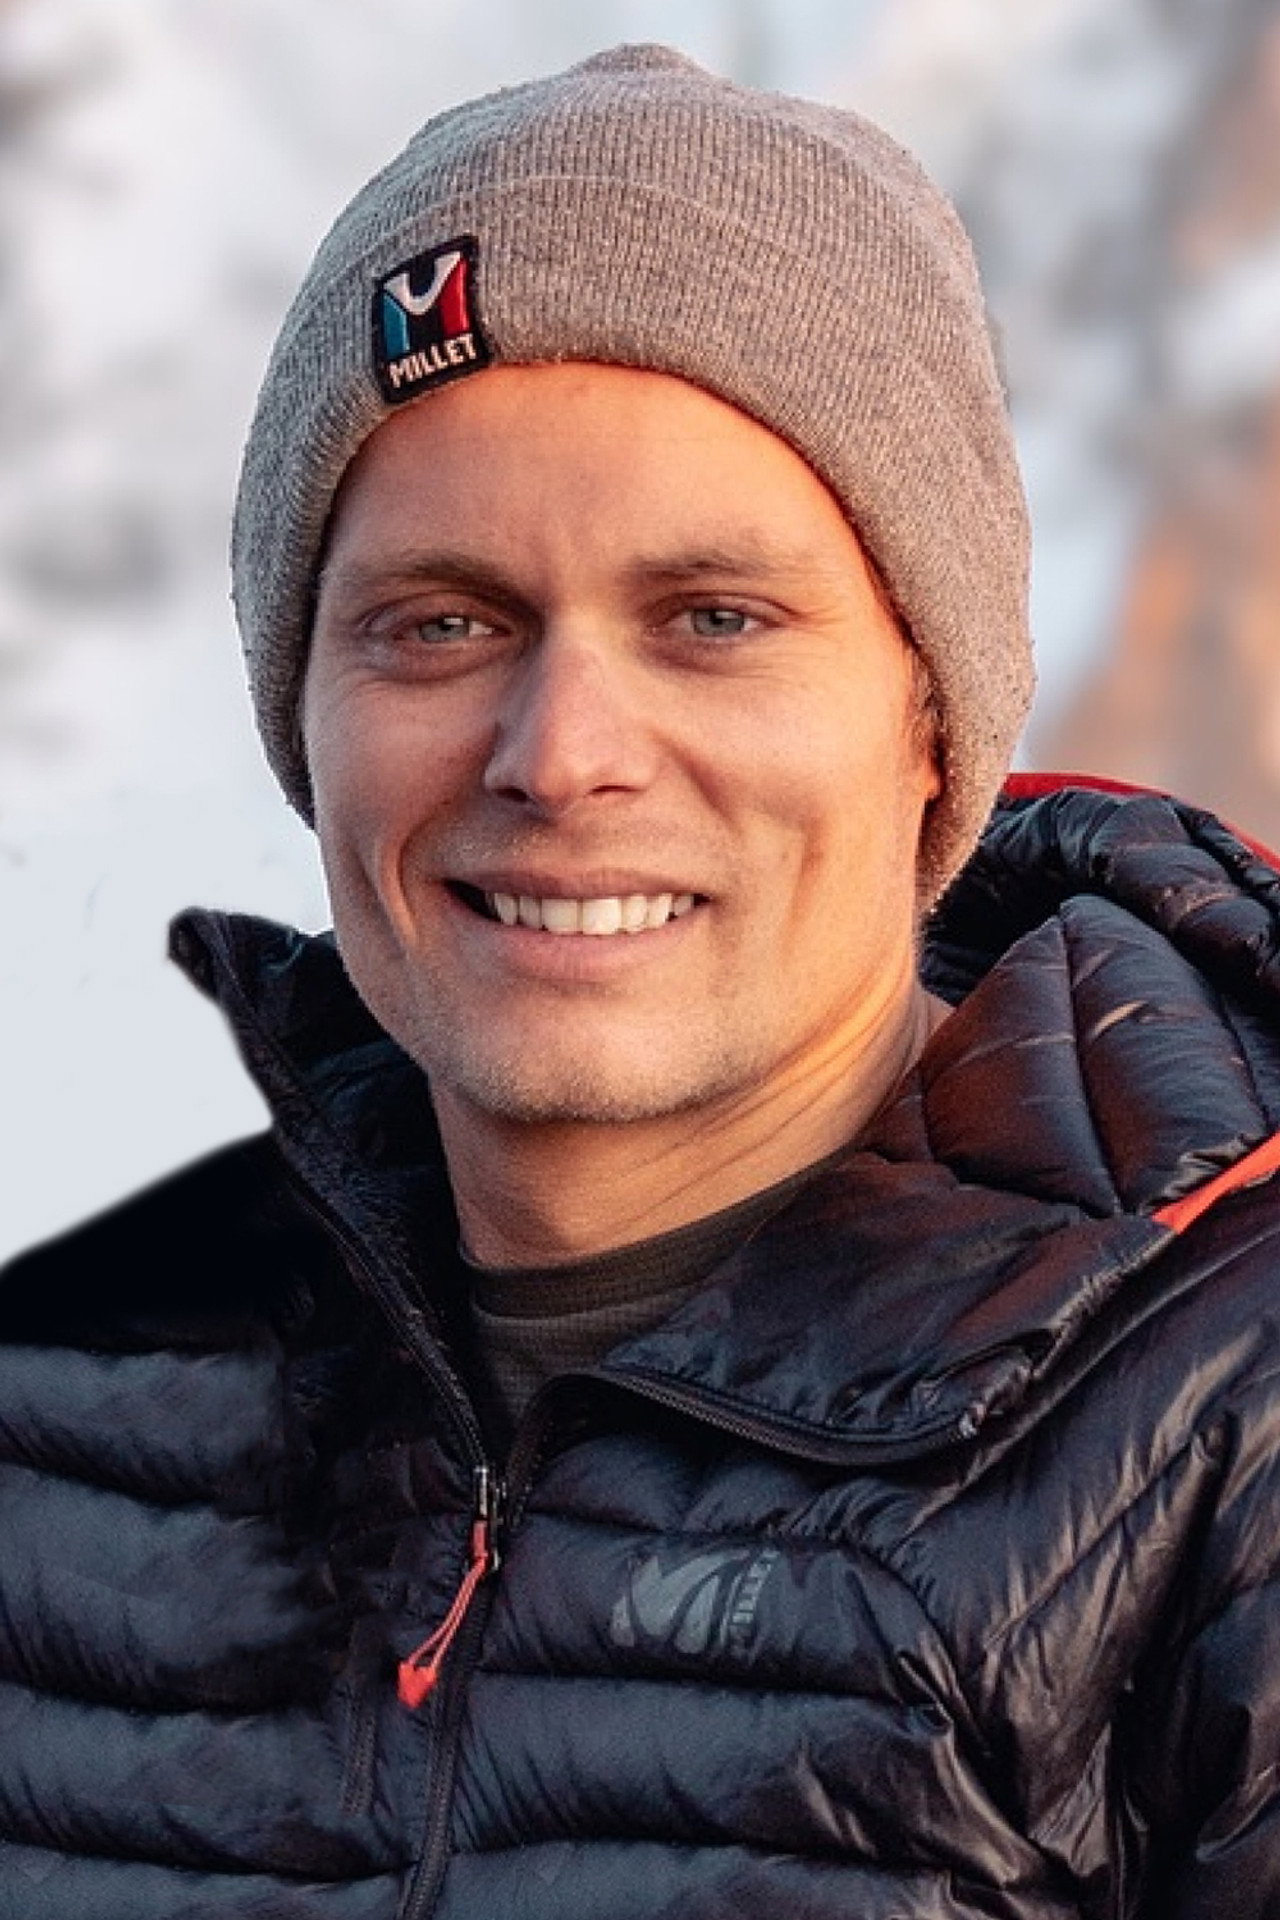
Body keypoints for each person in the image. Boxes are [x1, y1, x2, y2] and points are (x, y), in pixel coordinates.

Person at [3, 41, 1280, 1920]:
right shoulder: (66, 1421)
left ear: (933, 718)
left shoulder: (1224, 1436)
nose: (561, 753)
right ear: (303, 718)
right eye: (443, 622)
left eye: (714, 620)